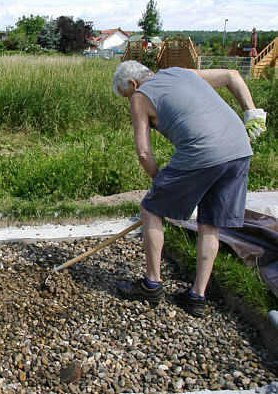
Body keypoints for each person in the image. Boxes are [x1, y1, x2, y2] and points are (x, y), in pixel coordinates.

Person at [112, 60, 267, 317]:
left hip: (203, 151)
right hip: (240, 148)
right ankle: (197, 296)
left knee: (151, 209)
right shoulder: (181, 71)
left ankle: (151, 284)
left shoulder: (140, 96)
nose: (130, 99)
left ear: (132, 83)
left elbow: (143, 152)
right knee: (210, 222)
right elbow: (231, 75)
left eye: (127, 94)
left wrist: (159, 182)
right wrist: (251, 113)